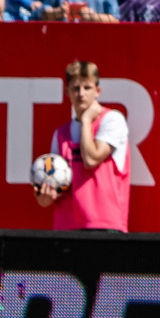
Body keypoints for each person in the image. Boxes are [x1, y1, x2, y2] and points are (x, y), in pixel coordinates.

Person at [37, 59, 130, 231]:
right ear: (67, 92)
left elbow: (91, 159)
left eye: (87, 88)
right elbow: (53, 188)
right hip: (68, 227)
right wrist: (45, 196)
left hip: (105, 225)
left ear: (97, 91)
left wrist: (86, 120)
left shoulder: (112, 120)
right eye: (75, 88)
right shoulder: (60, 134)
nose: (81, 94)